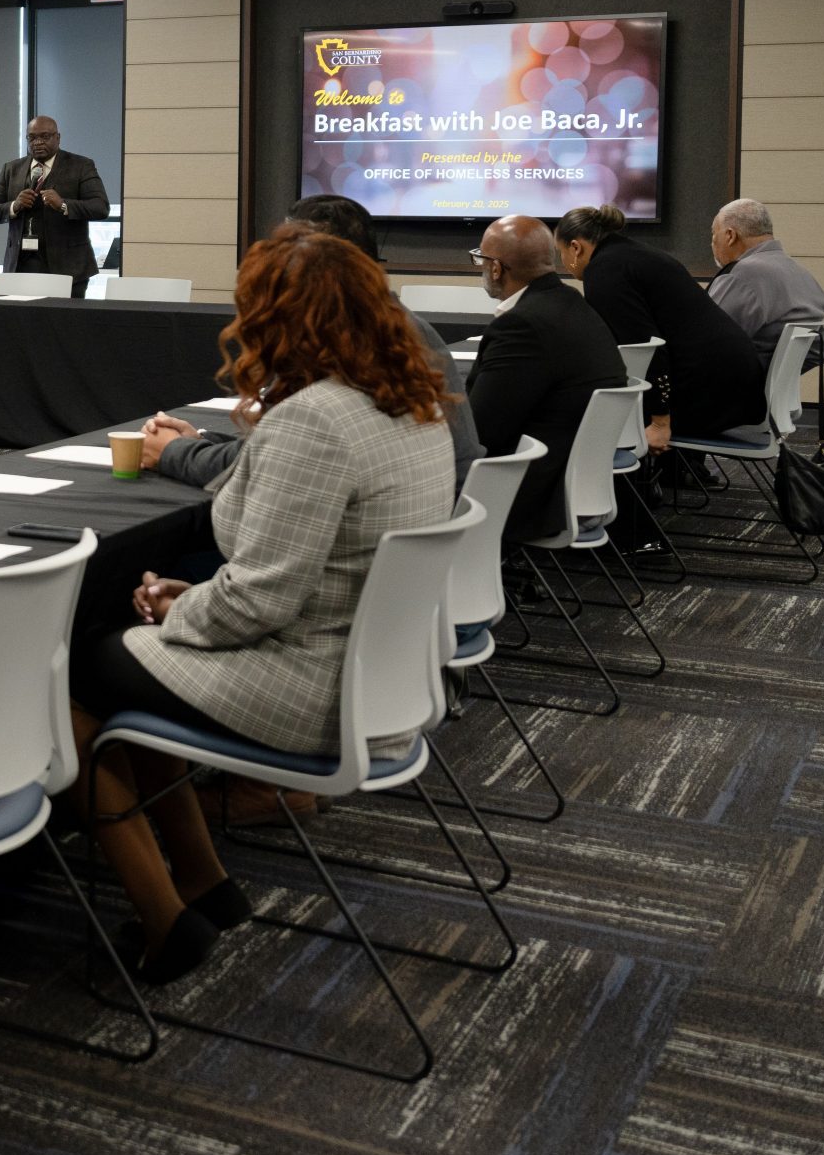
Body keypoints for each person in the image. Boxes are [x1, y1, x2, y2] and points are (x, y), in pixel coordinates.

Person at [72, 226, 456, 983]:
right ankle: (205, 883)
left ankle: (166, 918)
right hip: (368, 674)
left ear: (277, 319)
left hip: (310, 683)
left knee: (75, 678)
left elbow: (260, 599)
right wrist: (200, 596)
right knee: (128, 678)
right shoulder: (412, 405)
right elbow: (296, 571)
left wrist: (181, 612)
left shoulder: (314, 419)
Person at [143, 195, 481, 494]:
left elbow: (283, 456)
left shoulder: (348, 344)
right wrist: (200, 442)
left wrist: (174, 452)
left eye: (291, 254)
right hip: (430, 528)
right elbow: (282, 449)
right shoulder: (393, 324)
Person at [459, 215, 628, 540]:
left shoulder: (521, 326)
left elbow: (480, 434)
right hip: (574, 482)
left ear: (496, 268)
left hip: (530, 496)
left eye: (480, 259)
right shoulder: (570, 302)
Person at [556, 205, 763, 449]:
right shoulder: (634, 255)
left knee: (585, 411)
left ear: (575, 248)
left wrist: (660, 423)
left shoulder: (604, 271)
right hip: (737, 382)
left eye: (560, 252)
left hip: (714, 393)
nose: (562, 261)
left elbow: (646, 349)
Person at [0, 114, 111, 295]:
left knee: (64, 323)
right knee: (21, 322)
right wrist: (14, 205)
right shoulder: (11, 169)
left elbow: (101, 207)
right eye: (32, 138)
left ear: (58, 138)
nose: (38, 142)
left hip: (68, 268)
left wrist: (63, 205)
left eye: (45, 136)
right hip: (20, 267)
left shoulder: (81, 166)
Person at [707, 197, 824, 369]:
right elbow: (817, 352)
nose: (712, 242)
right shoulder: (800, 272)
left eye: (714, 234)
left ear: (730, 235)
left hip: (735, 388)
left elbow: (706, 338)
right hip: (772, 389)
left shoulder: (741, 275)